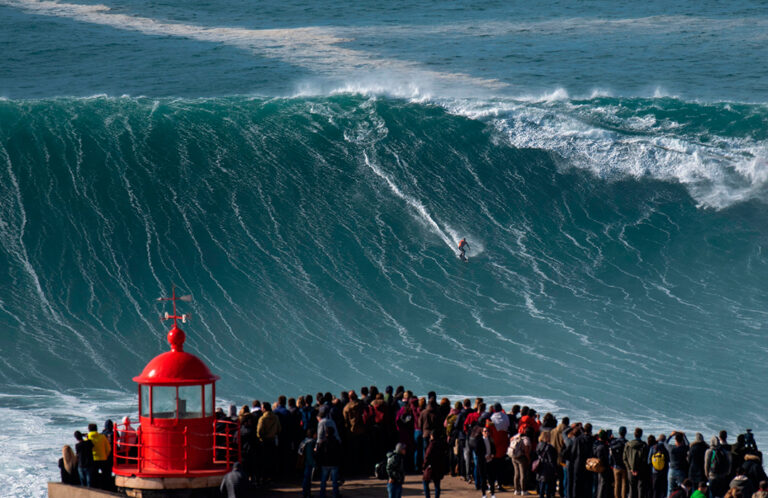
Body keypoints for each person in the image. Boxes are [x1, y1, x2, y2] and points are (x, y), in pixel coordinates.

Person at [256, 402, 281, 482]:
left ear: (264, 408)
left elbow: (259, 431)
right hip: (272, 440)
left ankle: (264, 477)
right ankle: (271, 477)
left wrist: (260, 438)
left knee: (264, 460)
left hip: (264, 441)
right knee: (271, 459)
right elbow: (279, 429)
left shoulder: (262, 419)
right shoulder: (276, 417)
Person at [316, 426, 342, 498]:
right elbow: (339, 452)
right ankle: (335, 494)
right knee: (334, 481)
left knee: (323, 480)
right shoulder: (336, 441)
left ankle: (322, 494)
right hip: (334, 462)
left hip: (325, 463)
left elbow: (319, 453)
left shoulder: (323, 442)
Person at [624, 428, 649, 498]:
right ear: (641, 435)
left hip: (630, 470)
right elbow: (645, 460)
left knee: (631, 489)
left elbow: (624, 458)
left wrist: (630, 468)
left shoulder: (628, 445)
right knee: (640, 488)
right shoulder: (644, 445)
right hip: (640, 471)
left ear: (634, 434)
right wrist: (638, 469)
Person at [423, 431, 449, 498]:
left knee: (425, 482)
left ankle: (427, 496)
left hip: (431, 467)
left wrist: (424, 466)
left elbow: (427, 456)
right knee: (437, 485)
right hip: (439, 467)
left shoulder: (431, 444)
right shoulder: (442, 444)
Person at [87, 423, 111, 489]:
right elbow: (108, 448)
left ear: (89, 429)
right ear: (96, 429)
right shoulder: (102, 437)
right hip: (103, 458)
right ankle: (105, 488)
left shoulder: (88, 438)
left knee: (94, 476)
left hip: (93, 460)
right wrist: (106, 455)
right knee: (105, 475)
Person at [535, 430, 558, 498]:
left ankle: (541, 495)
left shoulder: (539, 444)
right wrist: (555, 469)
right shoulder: (549, 447)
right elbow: (551, 460)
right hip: (547, 467)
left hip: (540, 465)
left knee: (542, 482)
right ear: (546, 437)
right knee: (548, 484)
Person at [610, 426, 629, 498]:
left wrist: (611, 463)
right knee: (624, 484)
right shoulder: (627, 443)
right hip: (624, 466)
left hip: (616, 466)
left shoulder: (614, 442)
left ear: (619, 433)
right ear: (625, 433)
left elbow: (611, 453)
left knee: (617, 484)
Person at [594, 430, 613, 498]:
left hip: (599, 467)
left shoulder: (597, 446)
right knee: (603, 485)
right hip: (604, 468)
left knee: (600, 484)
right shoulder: (604, 447)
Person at [298, 429, 317, 498]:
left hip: (305, 462)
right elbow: (311, 455)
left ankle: (305, 492)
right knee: (308, 479)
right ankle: (307, 493)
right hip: (309, 463)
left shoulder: (304, 441)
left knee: (306, 478)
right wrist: (314, 464)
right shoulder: (311, 443)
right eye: (315, 434)